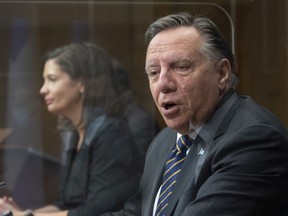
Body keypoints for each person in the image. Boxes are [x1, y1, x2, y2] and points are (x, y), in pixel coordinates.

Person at [100, 12, 288, 216]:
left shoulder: (254, 140)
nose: (162, 84)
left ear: (222, 73)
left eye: (181, 67)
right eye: (154, 73)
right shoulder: (165, 141)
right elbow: (134, 213)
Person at [0, 42, 143, 216]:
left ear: (81, 83)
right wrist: (20, 213)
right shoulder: (75, 135)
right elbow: (63, 204)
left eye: (52, 79)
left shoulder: (111, 133)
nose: (42, 90)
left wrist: (23, 215)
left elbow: (93, 211)